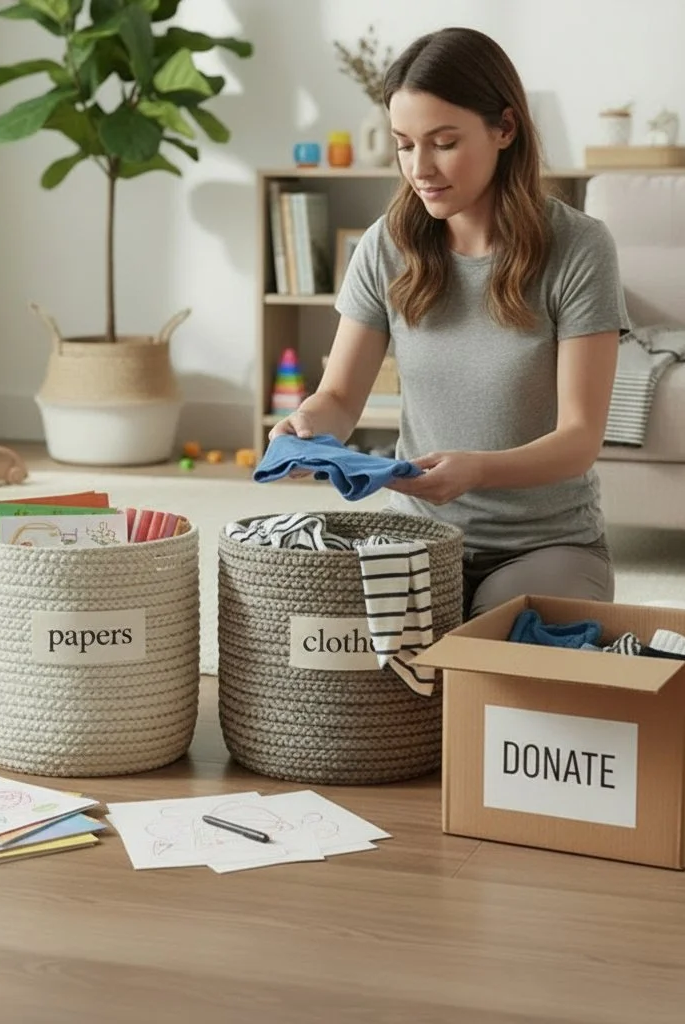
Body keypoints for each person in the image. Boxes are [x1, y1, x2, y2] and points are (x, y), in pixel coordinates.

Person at [268, 26, 628, 618]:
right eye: (404, 144)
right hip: (421, 538)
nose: (420, 168)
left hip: (545, 544)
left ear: (505, 129)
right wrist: (306, 425)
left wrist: (477, 470)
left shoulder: (579, 247)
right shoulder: (386, 245)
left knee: (502, 655)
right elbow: (338, 395)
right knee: (340, 653)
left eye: (443, 142)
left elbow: (579, 439)